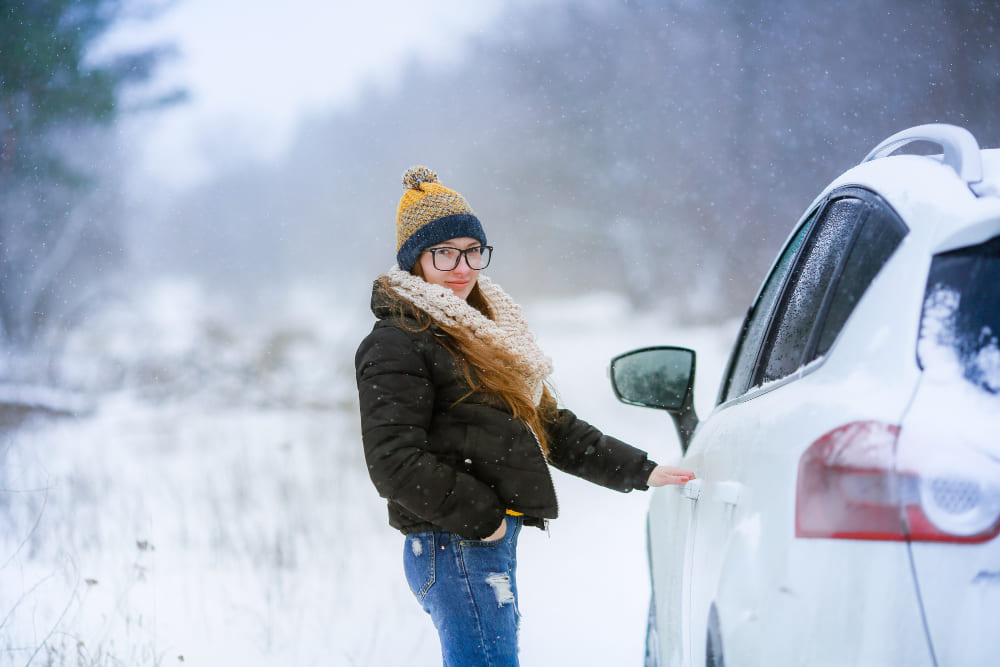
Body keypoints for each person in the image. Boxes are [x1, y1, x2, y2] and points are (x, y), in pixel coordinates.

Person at [355, 166, 695, 666]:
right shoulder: (397, 341)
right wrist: (482, 518)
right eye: (444, 252)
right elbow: (392, 460)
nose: (462, 266)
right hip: (454, 544)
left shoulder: (484, 332)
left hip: (478, 543)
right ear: (415, 261)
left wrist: (640, 469)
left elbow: (548, 425)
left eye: (473, 250)